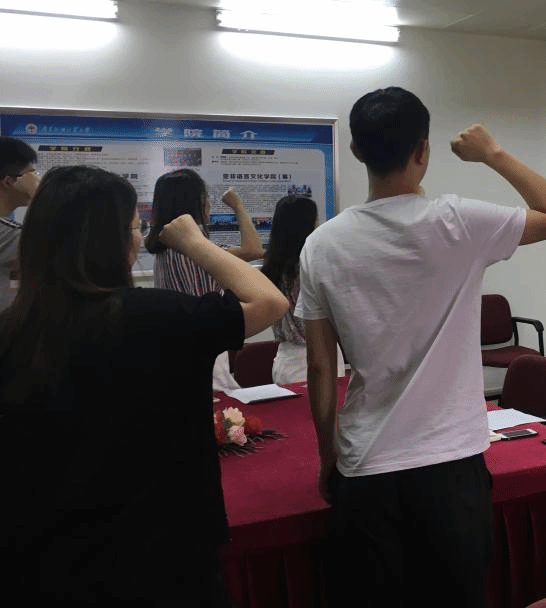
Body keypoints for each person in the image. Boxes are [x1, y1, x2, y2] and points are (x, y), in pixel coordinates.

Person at [298, 87, 546, 607]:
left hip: (367, 465)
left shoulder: (321, 245)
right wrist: (493, 154)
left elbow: (319, 366)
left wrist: (327, 455)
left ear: (356, 151)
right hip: (451, 467)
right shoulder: (459, 222)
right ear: (423, 150)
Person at [0, 165, 288, 606]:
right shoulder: (159, 317)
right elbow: (269, 300)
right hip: (166, 561)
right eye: (135, 227)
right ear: (117, 241)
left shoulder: (12, 331)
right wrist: (195, 242)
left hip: (46, 566)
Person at [145, 169, 264, 390]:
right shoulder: (194, 249)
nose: (208, 204)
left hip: (178, 346)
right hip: (203, 346)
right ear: (197, 203)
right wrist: (238, 206)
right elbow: (254, 249)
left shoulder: (164, 246)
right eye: (205, 198)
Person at [261, 194, 342, 384]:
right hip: (315, 355)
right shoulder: (311, 266)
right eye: (316, 221)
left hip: (287, 358)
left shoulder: (272, 267)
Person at [0, 137, 40, 311]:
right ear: (9, 181)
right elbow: (70, 247)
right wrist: (39, 193)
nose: (37, 179)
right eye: (32, 174)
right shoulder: (8, 234)